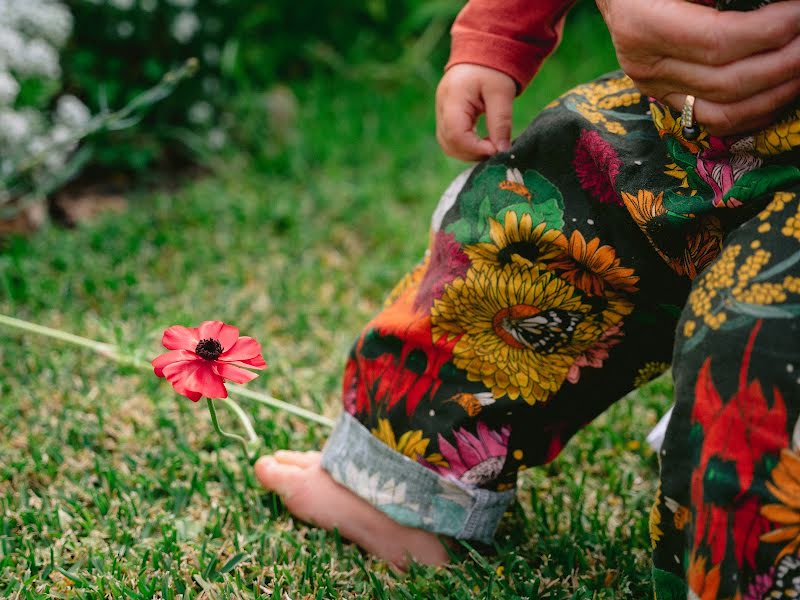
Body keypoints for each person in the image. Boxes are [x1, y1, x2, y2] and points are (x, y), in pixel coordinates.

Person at [255, 0, 800, 596]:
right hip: (683, 115)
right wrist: (498, 29)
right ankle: (403, 490)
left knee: (758, 347)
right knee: (531, 219)